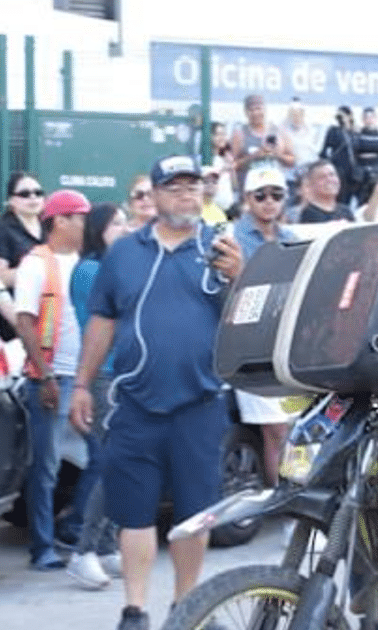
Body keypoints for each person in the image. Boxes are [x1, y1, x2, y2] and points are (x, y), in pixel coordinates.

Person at [69, 155, 243, 630]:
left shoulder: (221, 249)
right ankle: (135, 609)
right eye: (176, 186)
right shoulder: (124, 253)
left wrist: (240, 278)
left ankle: (186, 609)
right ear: (156, 194)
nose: (187, 193)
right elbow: (101, 322)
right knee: (134, 513)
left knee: (194, 515)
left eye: (195, 185)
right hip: (136, 404)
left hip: (201, 404)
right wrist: (83, 384)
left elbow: (249, 318)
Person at [13, 189, 91, 570]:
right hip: (53, 377)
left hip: (84, 379)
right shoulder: (36, 264)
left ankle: (74, 526)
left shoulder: (86, 262)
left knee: (102, 458)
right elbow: (24, 320)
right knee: (46, 467)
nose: (85, 224)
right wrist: (45, 377)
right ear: (60, 221)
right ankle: (42, 547)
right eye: (80, 217)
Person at [65, 202, 129, 590]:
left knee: (119, 463)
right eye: (116, 223)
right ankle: (83, 551)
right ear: (98, 230)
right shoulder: (90, 270)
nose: (124, 229)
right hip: (103, 376)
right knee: (112, 464)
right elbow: (117, 315)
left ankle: (105, 546)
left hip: (122, 374)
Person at [231, 166, 294, 488]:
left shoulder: (290, 238)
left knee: (294, 433)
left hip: (288, 348)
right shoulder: (232, 238)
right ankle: (283, 506)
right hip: (250, 348)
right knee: (277, 431)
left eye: (276, 195)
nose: (269, 202)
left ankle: (293, 506)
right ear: (247, 199)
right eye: (261, 195)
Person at [0, 172, 45, 289]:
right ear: (11, 200)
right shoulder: (0, 230)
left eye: (38, 193)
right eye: (24, 194)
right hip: (16, 303)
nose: (33, 197)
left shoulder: (49, 226)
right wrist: (38, 271)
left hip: (50, 302)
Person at [230, 94, 296, 197]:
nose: (255, 113)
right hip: (251, 193)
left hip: (275, 192)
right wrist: (255, 156)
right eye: (251, 110)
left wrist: (277, 155)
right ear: (246, 112)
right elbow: (233, 165)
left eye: (258, 108)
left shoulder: (278, 131)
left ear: (264, 109)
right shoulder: (240, 133)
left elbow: (292, 161)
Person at [319, 105, 360, 205]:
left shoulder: (356, 132)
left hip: (354, 173)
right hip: (339, 170)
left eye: (343, 115)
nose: (341, 118)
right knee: (340, 200)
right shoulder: (334, 131)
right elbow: (324, 152)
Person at [354, 106, 378, 203]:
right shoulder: (358, 133)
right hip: (361, 172)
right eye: (366, 117)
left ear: (375, 118)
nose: (369, 119)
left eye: (371, 117)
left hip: (377, 170)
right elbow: (354, 150)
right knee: (361, 199)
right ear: (362, 119)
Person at [281, 97, 321, 167]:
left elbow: (314, 151)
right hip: (292, 168)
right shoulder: (283, 129)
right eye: (293, 112)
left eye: (299, 112)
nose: (296, 115)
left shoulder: (310, 128)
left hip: (309, 166)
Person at [206, 122, 236, 213]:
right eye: (218, 134)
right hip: (212, 211)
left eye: (224, 134)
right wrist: (224, 169)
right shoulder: (206, 158)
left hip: (228, 209)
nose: (222, 138)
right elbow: (207, 181)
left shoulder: (225, 157)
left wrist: (231, 168)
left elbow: (234, 185)